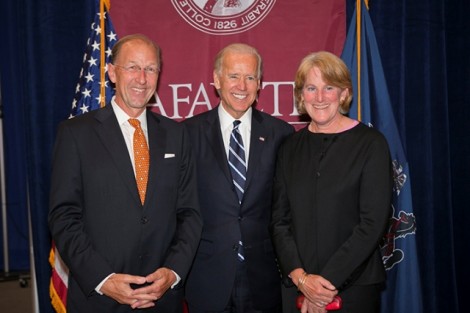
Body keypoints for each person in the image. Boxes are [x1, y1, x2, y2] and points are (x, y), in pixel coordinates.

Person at [48, 34, 202, 313]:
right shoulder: (75, 134)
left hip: (162, 297)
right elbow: (63, 216)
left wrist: (173, 272)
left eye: (150, 69)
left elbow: (189, 212)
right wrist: (103, 279)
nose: (141, 79)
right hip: (99, 298)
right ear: (112, 73)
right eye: (132, 67)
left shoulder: (176, 135)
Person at [270, 51, 392, 313]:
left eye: (329, 88)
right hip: (296, 287)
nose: (320, 97)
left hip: (353, 288)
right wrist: (301, 278)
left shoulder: (371, 144)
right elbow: (279, 220)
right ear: (301, 96)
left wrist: (323, 286)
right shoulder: (289, 147)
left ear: (344, 93)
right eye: (311, 88)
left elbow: (372, 224)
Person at [184, 43, 294, 313]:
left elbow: (288, 209)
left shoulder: (281, 134)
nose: (242, 86)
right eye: (233, 76)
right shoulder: (187, 134)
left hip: (264, 278)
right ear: (216, 79)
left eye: (250, 77)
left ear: (259, 84)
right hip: (206, 277)